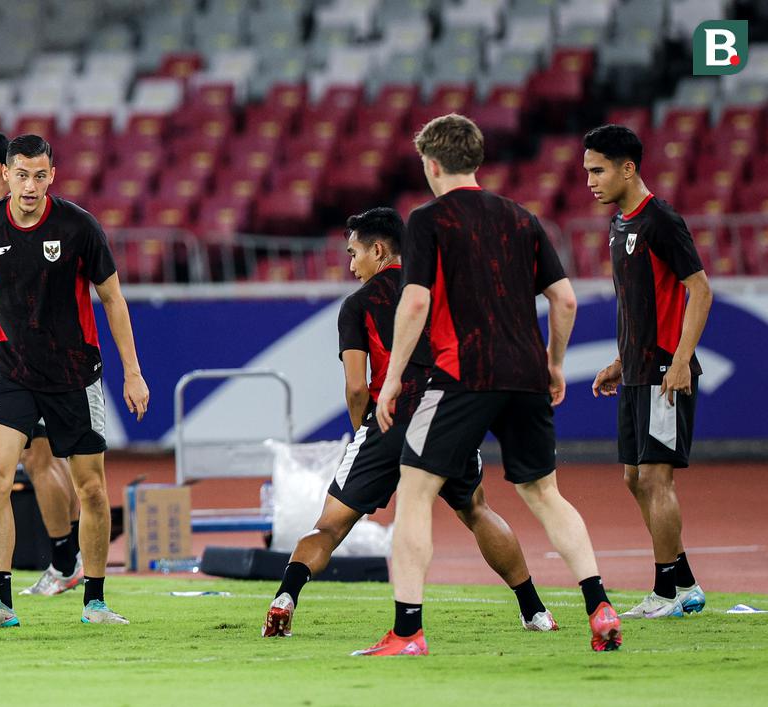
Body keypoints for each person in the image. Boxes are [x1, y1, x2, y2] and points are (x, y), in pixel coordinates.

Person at [358, 114, 622, 656]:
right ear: (475, 160)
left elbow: (414, 302)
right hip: (525, 373)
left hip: (462, 373)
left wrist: (389, 385)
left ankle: (407, 632)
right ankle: (598, 604)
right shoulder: (522, 218)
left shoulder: (428, 219)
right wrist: (552, 364)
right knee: (545, 494)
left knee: (414, 491)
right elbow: (565, 300)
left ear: (431, 164)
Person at [263, 208, 557, 638]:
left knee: (329, 526)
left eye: (354, 253)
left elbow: (356, 388)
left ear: (378, 250)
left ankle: (285, 597)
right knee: (477, 510)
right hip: (445, 417)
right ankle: (535, 611)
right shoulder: (438, 291)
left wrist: (364, 430)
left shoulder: (357, 306)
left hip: (388, 419)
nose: (350, 265)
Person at [0, 134, 150, 627]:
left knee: (90, 489)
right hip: (13, 372)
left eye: (41, 175)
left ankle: (94, 600)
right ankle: (0, 603)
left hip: (75, 373)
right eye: (22, 175)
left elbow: (113, 300)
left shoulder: (78, 226)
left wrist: (132, 372)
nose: (31, 185)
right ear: (5, 174)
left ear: (53, 176)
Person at [583, 125, 712, 619]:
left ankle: (666, 595)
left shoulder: (661, 220)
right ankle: (686, 584)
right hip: (637, 369)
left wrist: (679, 361)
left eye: (598, 170)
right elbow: (637, 304)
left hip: (664, 370)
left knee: (657, 480)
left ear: (628, 168)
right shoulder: (620, 224)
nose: (590, 181)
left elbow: (699, 290)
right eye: (587, 171)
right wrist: (620, 360)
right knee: (635, 479)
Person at [0, 131, 84, 595]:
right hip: (18, 356)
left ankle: (65, 559)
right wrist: (3, 321)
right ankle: (65, 557)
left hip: (56, 362)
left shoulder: (44, 217)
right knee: (34, 459)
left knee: (41, 458)